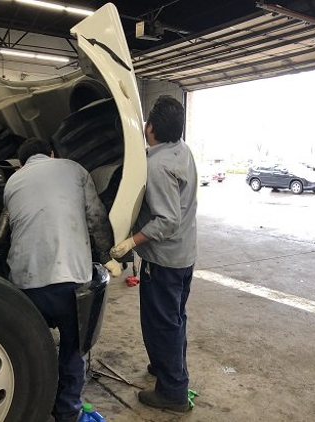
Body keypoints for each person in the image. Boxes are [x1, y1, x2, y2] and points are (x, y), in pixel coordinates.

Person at [4, 138, 122, 422]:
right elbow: (95, 218)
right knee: (73, 348)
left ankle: (31, 403)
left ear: (21, 163)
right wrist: (109, 254)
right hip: (71, 280)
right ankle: (68, 412)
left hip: (25, 281)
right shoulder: (74, 169)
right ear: (52, 154)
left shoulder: (12, 182)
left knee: (30, 348)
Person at [110, 95, 198, 412]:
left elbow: (167, 220)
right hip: (184, 255)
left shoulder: (157, 166)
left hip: (163, 260)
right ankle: (166, 367)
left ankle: (172, 392)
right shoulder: (181, 150)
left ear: (150, 128)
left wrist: (131, 242)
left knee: (161, 324)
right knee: (174, 319)